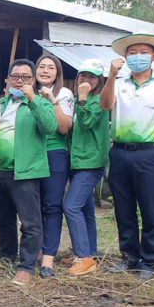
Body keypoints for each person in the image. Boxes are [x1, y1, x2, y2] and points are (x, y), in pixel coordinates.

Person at [101, 30, 154, 280]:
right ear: (125, 57)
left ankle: (150, 262)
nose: (138, 56)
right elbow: (106, 105)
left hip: (150, 154)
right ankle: (129, 257)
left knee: (150, 209)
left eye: (144, 52)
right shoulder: (119, 83)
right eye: (132, 52)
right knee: (123, 209)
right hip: (120, 153)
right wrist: (112, 76)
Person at [0, 59, 57, 286]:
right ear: (8, 80)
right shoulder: (0, 103)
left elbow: (50, 127)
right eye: (15, 76)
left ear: (33, 80)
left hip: (26, 171)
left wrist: (32, 99)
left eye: (26, 77)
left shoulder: (40, 102)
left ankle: (27, 266)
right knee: (3, 218)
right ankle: (6, 255)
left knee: (30, 222)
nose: (20, 81)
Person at [63, 58, 109, 276]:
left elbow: (87, 122)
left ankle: (84, 258)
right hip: (76, 160)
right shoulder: (76, 98)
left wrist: (82, 98)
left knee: (71, 206)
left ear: (99, 80)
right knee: (85, 207)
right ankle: (90, 251)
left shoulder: (100, 99)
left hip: (91, 162)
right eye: (83, 75)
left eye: (91, 76)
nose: (85, 80)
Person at [34, 55, 74, 278]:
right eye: (42, 66)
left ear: (57, 73)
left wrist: (52, 100)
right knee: (34, 205)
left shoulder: (64, 94)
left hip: (54, 154)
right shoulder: (28, 91)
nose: (46, 71)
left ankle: (48, 259)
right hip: (31, 153)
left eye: (51, 68)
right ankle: (37, 251)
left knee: (51, 206)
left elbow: (64, 128)